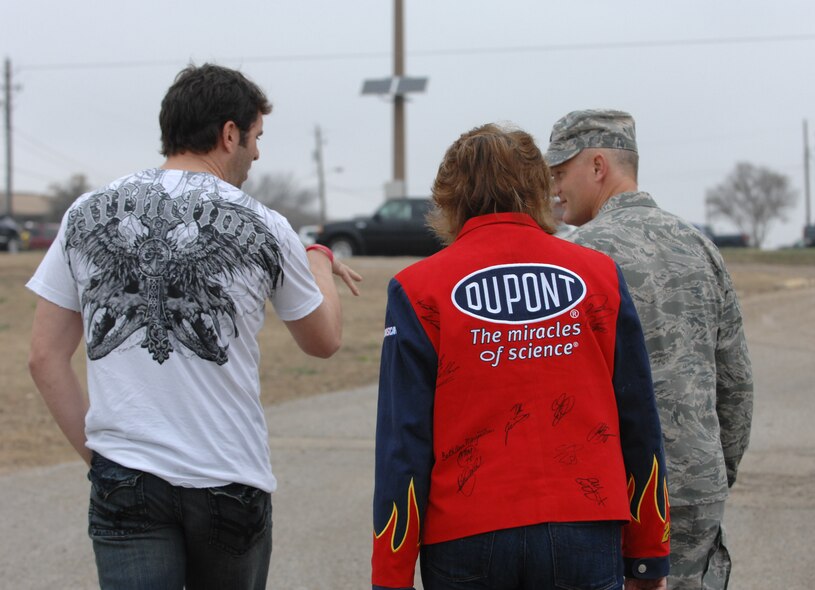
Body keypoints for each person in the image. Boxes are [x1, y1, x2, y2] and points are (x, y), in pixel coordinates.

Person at [26, 63, 361, 590]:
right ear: (230, 134)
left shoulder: (85, 213)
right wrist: (318, 258)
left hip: (126, 475)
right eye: (256, 138)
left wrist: (104, 460)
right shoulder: (265, 224)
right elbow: (324, 341)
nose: (257, 153)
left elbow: (44, 357)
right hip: (227, 475)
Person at [371, 123, 670, 590]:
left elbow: (401, 442)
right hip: (586, 528)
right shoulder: (600, 275)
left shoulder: (418, 288)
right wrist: (649, 555)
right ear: (538, 188)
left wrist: (390, 577)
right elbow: (638, 417)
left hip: (466, 534)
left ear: (449, 196)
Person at [546, 109, 754, 590]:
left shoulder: (577, 259)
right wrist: (713, 470)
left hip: (613, 497)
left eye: (560, 173)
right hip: (696, 487)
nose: (553, 187)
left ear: (598, 166)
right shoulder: (699, 246)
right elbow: (736, 381)